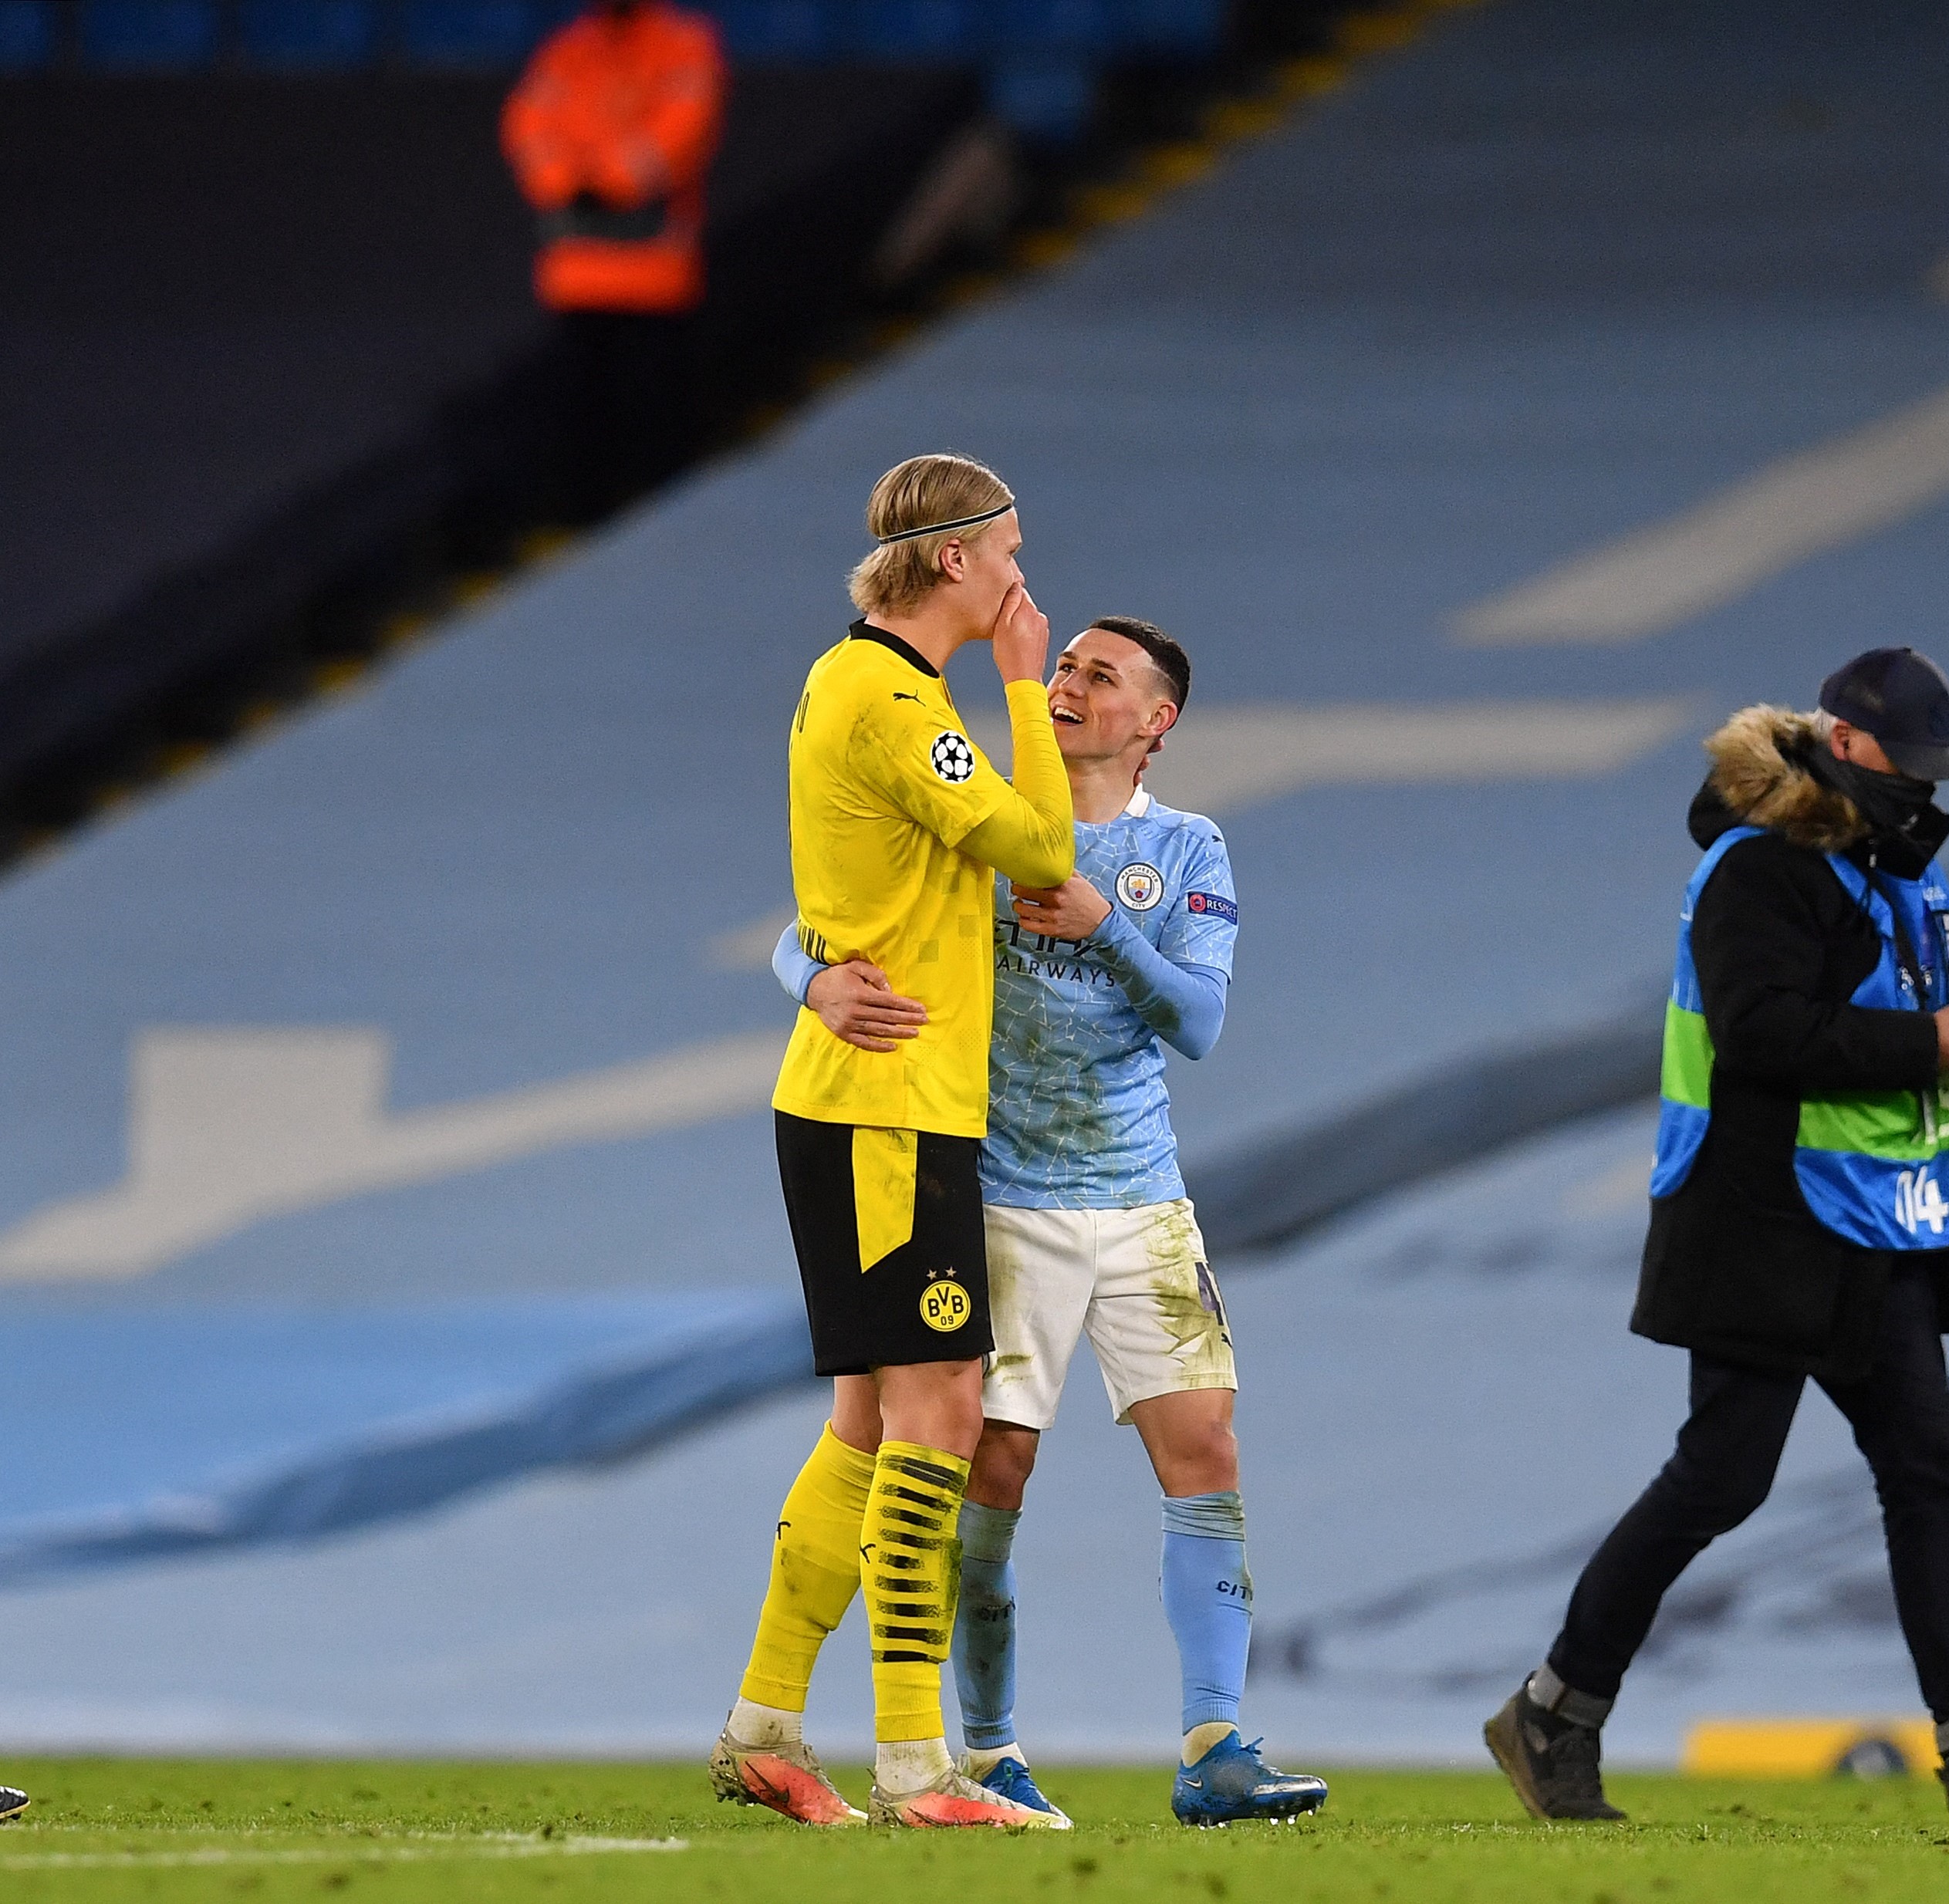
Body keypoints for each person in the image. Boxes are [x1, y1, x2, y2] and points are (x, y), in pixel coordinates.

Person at [1483, 648, 1949, 1828]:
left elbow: (1912, 990)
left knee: (1930, 1466)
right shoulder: (1762, 868)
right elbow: (1761, 1035)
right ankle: (1552, 1711)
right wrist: (1937, 1043)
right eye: (1907, 760)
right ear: (1841, 740)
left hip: (1865, 1222)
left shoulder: (1868, 866)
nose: (1923, 787)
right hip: (1761, 1221)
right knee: (1724, 1478)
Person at [778, 616, 1329, 1828]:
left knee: (1207, 1455)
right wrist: (812, 980)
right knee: (993, 1472)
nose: (1072, 685)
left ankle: (1217, 1743)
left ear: (1156, 722)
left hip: (1141, 1201)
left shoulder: (1188, 847)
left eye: (1102, 676)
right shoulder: (972, 812)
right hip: (1002, 1201)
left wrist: (1104, 925)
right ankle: (988, 1752)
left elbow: (1198, 1023)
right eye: (1063, 665)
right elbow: (809, 927)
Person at [711, 453, 1077, 1830]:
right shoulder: (893, 700)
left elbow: (851, 885)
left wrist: (802, 967)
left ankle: (763, 1725)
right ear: (952, 563)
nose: (1022, 583)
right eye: (1011, 556)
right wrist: (1031, 688)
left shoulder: (858, 683)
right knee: (940, 1402)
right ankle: (919, 1765)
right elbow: (1041, 847)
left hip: (871, 1097)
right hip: (886, 1109)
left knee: (872, 1414)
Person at [500, 0, 726, 519]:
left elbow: (684, 126)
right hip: (577, 278)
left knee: (658, 416)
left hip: (656, 275)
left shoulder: (684, 43)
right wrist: (567, 181)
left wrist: (604, 179)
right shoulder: (568, 50)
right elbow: (528, 125)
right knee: (582, 420)